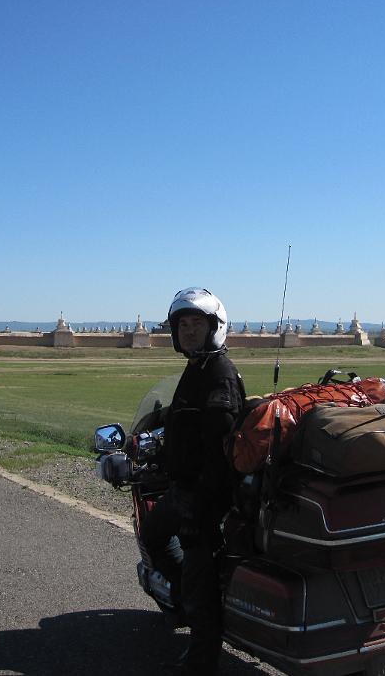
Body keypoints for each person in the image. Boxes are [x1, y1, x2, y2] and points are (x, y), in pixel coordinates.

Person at [140, 287, 245, 675]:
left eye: (196, 324)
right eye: (182, 324)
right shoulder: (197, 367)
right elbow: (188, 413)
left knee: (200, 580)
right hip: (183, 488)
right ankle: (180, 595)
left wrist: (201, 508)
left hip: (204, 496)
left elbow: (220, 448)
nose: (187, 331)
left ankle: (201, 660)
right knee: (153, 533)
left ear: (214, 328)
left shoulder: (219, 374)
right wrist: (161, 418)